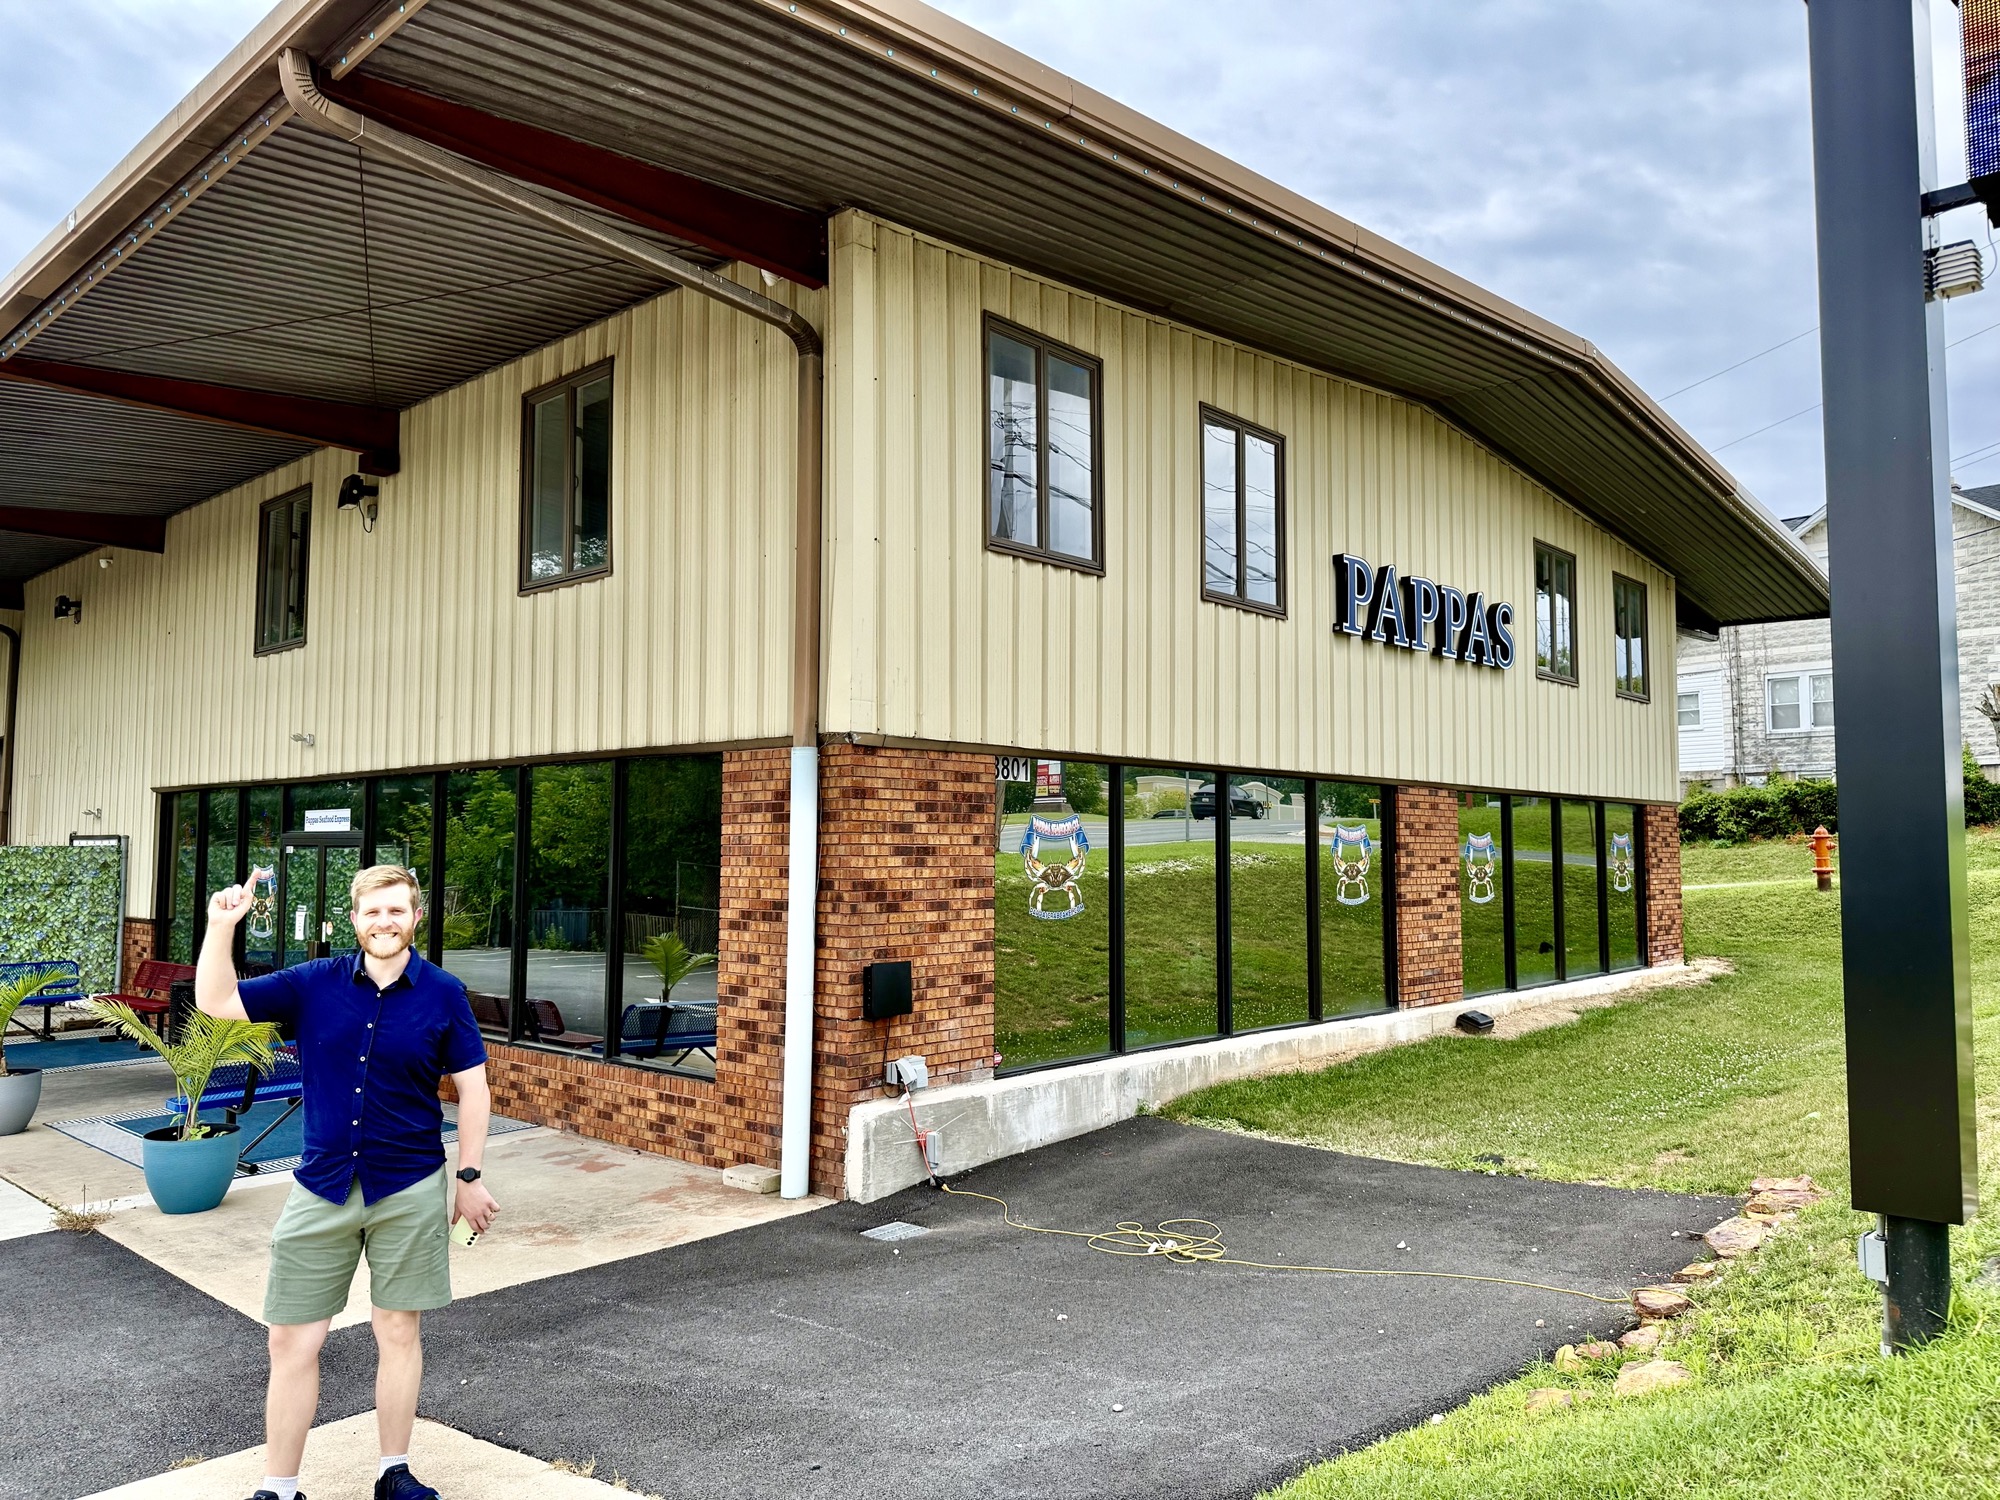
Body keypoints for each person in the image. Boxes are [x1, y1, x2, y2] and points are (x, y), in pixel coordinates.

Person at [198, 863, 499, 1500]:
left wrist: (469, 1176)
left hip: (409, 1185)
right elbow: (217, 1003)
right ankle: (280, 1487)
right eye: (373, 911)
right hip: (322, 1183)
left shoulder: (445, 993)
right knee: (291, 1338)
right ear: (355, 919)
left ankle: (394, 1473)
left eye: (397, 910)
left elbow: (474, 1090)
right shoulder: (314, 983)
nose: (384, 921)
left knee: (398, 1330)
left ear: (416, 917)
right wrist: (221, 927)